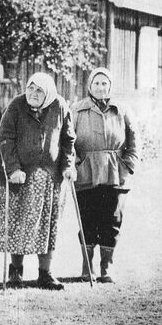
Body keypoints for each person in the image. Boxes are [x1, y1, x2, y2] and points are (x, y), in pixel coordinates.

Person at [0, 72, 76, 290]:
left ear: (48, 93)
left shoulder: (60, 106)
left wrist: (67, 166)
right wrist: (14, 169)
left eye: (39, 90)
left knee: (48, 223)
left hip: (50, 177)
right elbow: (5, 138)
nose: (34, 94)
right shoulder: (17, 105)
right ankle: (15, 273)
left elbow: (68, 140)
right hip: (20, 176)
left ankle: (45, 273)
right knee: (19, 221)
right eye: (31, 88)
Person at [71, 67, 139, 283]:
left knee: (112, 220)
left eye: (105, 84)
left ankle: (106, 267)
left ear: (110, 86)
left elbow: (134, 141)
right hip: (86, 173)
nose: (101, 88)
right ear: (89, 86)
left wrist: (127, 165)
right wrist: (74, 165)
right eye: (97, 83)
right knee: (88, 219)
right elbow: (67, 142)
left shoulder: (123, 110)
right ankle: (87, 266)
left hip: (115, 173)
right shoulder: (77, 110)